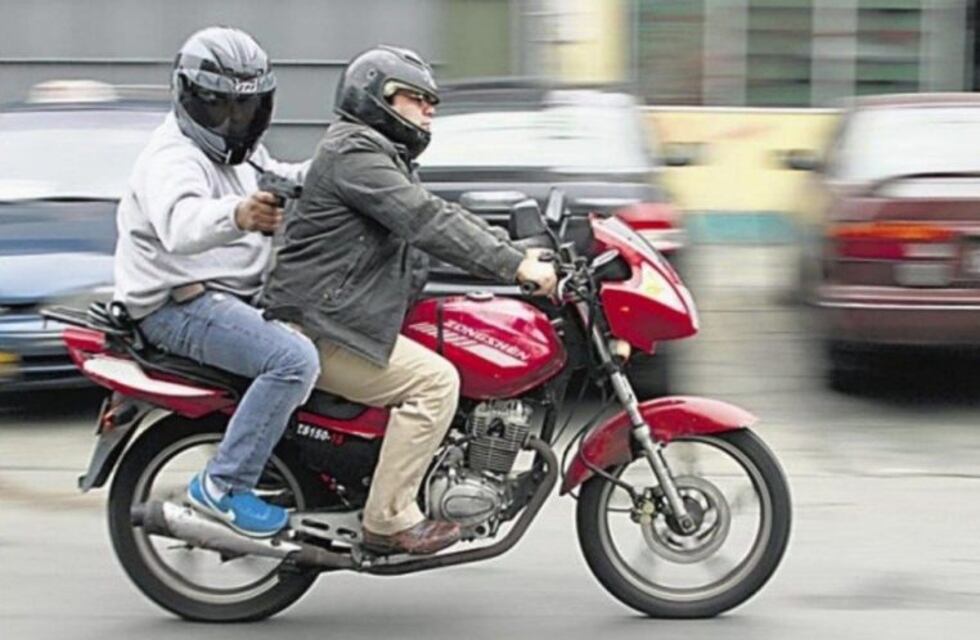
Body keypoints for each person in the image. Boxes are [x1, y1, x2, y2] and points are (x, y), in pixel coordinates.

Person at [261, 45, 557, 555]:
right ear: (376, 98)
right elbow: (425, 220)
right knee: (435, 383)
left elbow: (436, 214)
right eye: (416, 98)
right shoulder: (355, 155)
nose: (428, 110)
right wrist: (514, 266)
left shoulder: (378, 156)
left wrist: (516, 252)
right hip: (320, 323)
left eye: (431, 101)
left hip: (342, 314)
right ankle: (387, 519)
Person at [113, 26, 320, 538]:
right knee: (293, 360)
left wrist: (343, 167)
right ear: (190, 98)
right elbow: (181, 224)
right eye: (221, 106)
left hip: (230, 294)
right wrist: (239, 215)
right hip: (178, 307)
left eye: (246, 107)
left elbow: (280, 177)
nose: (235, 120)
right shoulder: (172, 157)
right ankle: (223, 486)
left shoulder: (242, 152)